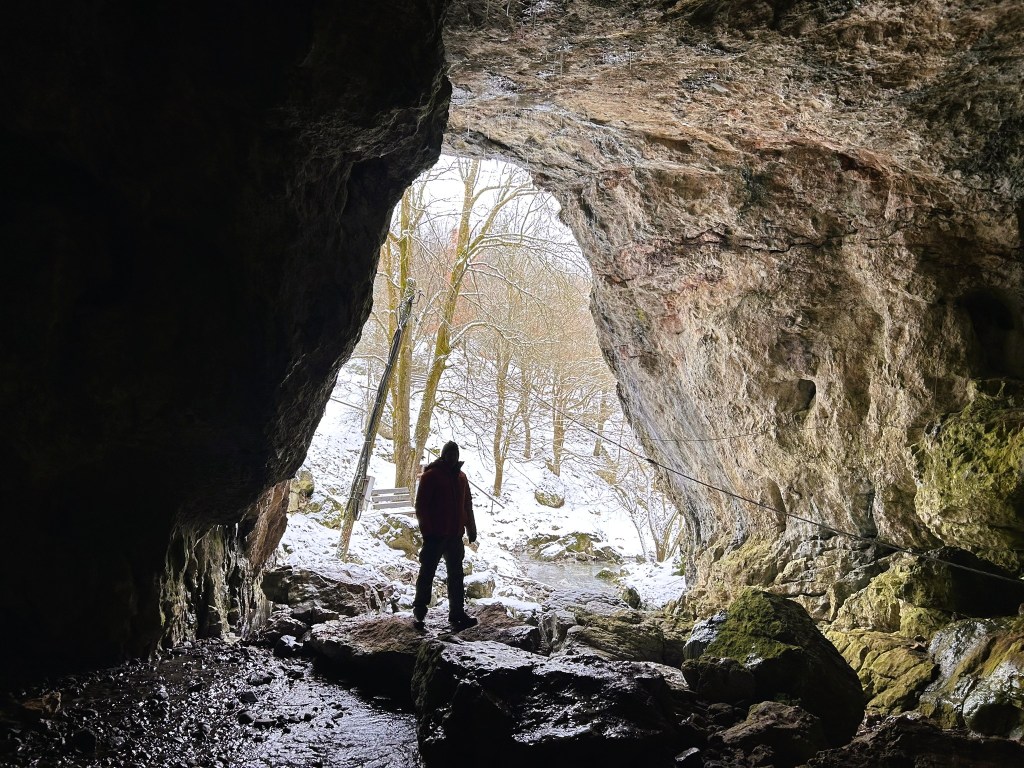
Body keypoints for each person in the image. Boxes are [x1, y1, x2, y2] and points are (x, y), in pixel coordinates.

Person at [412, 441, 478, 631]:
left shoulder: (462, 478)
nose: (453, 457)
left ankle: (457, 612)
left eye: (455, 454)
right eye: (449, 454)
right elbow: (421, 507)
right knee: (427, 573)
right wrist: (428, 533)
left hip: (455, 536)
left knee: (456, 575)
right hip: (435, 536)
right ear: (443, 455)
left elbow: (467, 505)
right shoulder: (431, 476)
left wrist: (471, 529)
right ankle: (419, 610)